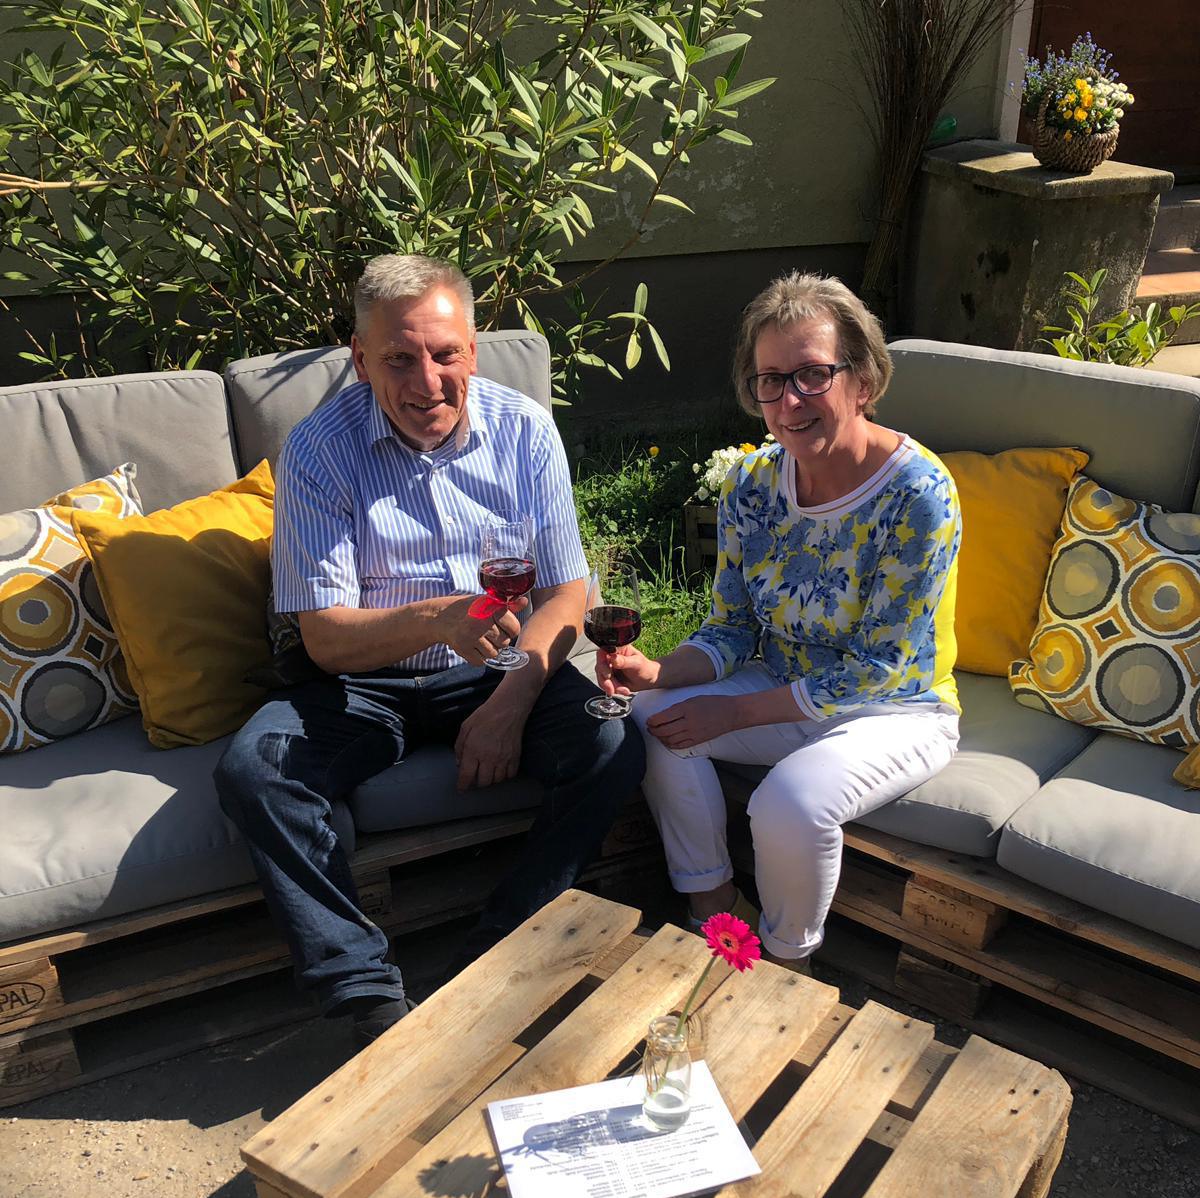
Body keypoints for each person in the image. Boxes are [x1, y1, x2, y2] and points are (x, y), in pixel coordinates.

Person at [215, 254, 645, 1046]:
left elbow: (565, 592)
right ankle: (366, 999)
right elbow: (325, 638)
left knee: (611, 740)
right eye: (399, 359)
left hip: (496, 671)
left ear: (472, 351)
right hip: (363, 684)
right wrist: (438, 619)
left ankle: (496, 955)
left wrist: (510, 703)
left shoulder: (523, 431)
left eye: (445, 354)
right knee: (256, 772)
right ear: (360, 359)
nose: (428, 382)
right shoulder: (318, 450)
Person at [595, 272, 961, 972]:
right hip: (781, 685)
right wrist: (659, 671)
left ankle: (789, 964)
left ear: (863, 380)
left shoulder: (918, 493)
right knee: (652, 717)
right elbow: (733, 626)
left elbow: (878, 666)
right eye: (770, 380)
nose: (790, 400)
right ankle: (716, 910)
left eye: (812, 374)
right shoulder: (752, 484)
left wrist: (734, 714)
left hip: (896, 710)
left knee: (789, 802)